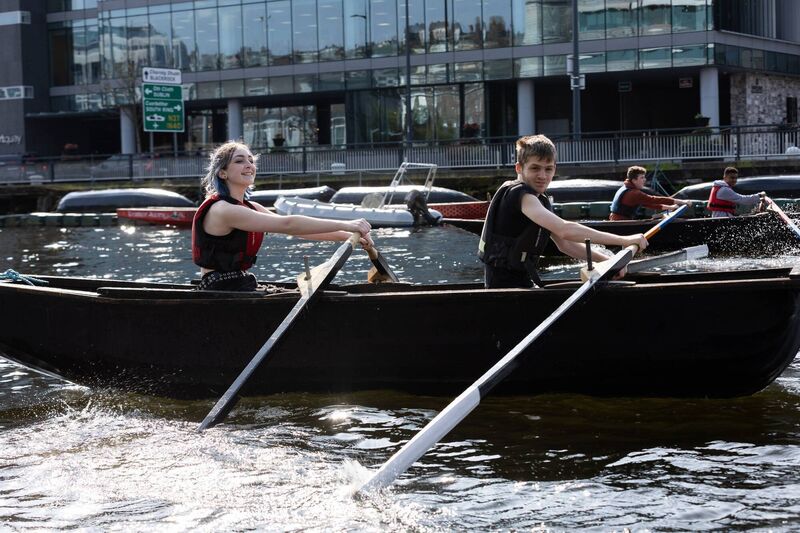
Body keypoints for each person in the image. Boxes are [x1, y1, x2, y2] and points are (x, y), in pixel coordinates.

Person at [192, 141, 372, 291]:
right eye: (239, 161)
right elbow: (288, 224)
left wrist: (349, 237)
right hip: (219, 288)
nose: (249, 165)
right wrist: (347, 225)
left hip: (239, 284)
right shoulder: (223, 209)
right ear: (222, 173)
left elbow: (302, 231)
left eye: (251, 160)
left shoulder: (251, 207)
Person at [479, 135, 648, 289]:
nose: (542, 176)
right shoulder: (520, 194)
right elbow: (565, 230)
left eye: (548, 169)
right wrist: (624, 240)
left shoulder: (541, 200)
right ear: (519, 168)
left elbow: (565, 244)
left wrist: (608, 261)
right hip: (503, 288)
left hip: (523, 284)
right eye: (535, 168)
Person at [609, 166, 692, 221]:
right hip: (621, 222)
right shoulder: (634, 193)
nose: (644, 180)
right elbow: (653, 199)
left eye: (644, 177)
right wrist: (682, 202)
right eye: (642, 178)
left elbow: (648, 204)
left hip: (617, 220)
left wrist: (669, 207)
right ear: (634, 180)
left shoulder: (626, 187)